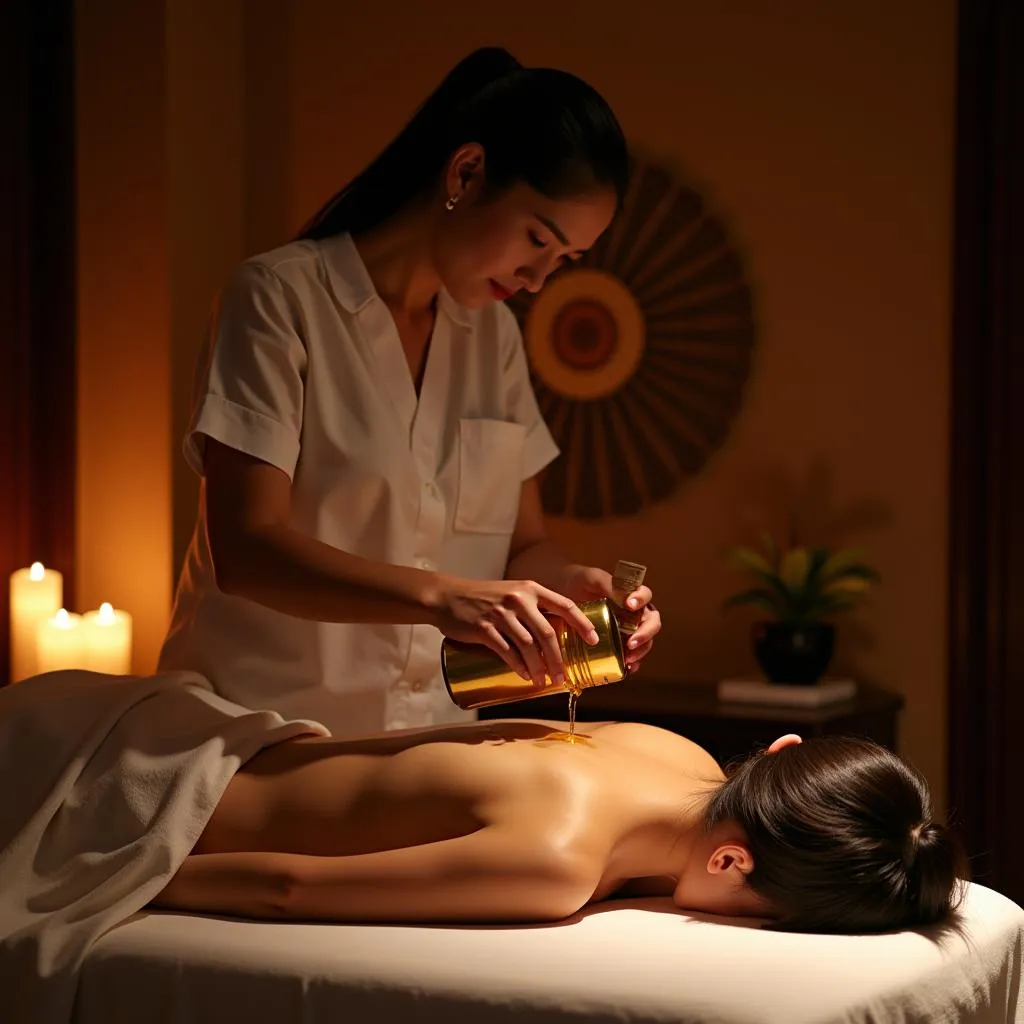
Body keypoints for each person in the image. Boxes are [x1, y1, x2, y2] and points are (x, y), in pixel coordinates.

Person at [158, 46, 661, 737]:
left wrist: (570, 588)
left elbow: (523, 546)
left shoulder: (493, 341)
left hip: (429, 740)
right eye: (537, 239)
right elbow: (247, 550)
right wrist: (442, 598)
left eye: (564, 260)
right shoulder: (279, 300)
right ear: (467, 171)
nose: (540, 278)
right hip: (258, 733)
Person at [151, 718, 969, 933]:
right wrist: (135, 880)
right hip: (160, 802)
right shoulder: (557, 865)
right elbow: (289, 888)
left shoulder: (672, 749)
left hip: (218, 734)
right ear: (730, 865)